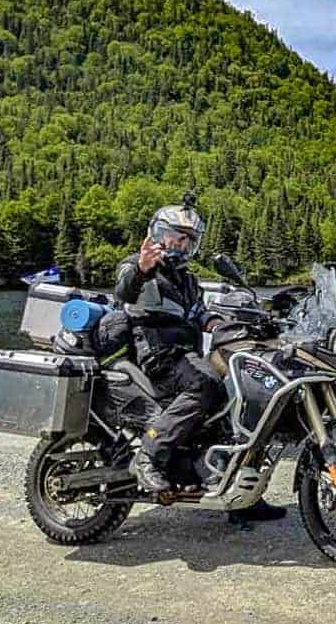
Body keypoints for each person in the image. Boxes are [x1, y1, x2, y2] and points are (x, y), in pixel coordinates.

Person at [116, 197, 285, 522]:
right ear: (158, 233)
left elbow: (200, 313)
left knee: (242, 395)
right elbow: (124, 291)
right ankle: (148, 455)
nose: (179, 244)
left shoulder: (188, 280)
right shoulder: (138, 266)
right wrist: (140, 268)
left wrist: (228, 324)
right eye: (174, 236)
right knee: (206, 383)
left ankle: (241, 496)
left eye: (187, 240)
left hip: (186, 355)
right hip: (159, 357)